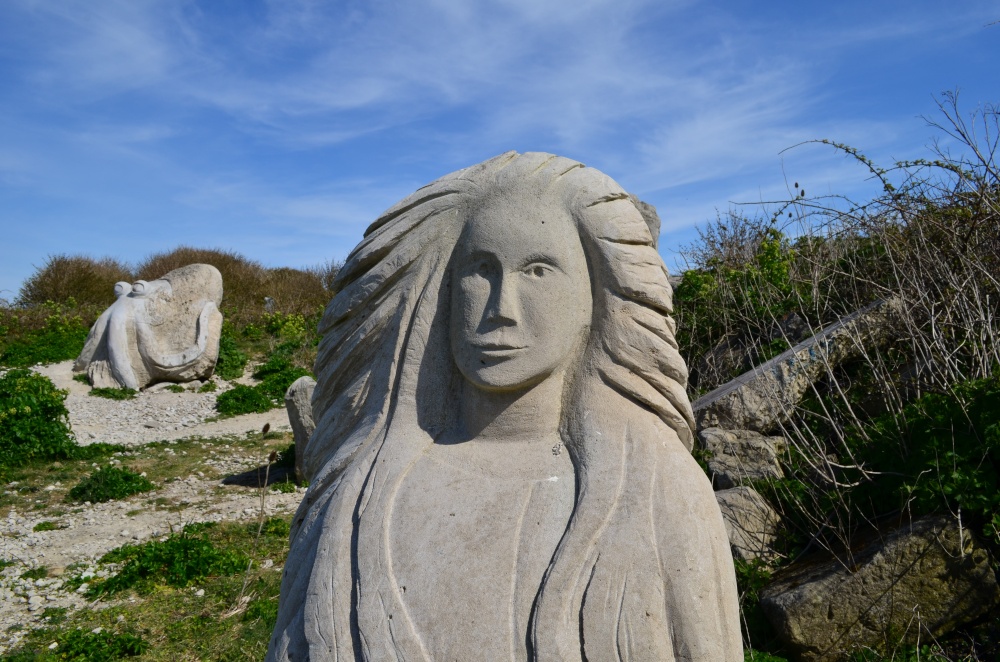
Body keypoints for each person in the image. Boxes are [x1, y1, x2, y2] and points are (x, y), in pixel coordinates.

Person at [267, 152, 742, 661]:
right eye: (480, 271)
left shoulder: (662, 494)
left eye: (537, 271)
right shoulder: (354, 500)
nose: (501, 309)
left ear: (592, 298)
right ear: (443, 292)